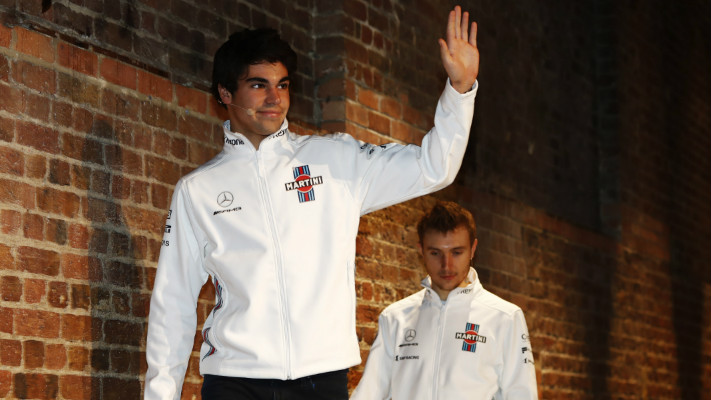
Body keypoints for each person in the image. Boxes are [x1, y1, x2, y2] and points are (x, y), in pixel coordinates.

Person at [144, 5, 479, 400]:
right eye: (258, 85)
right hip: (234, 381)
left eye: (283, 85)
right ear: (224, 93)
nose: (274, 98)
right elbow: (173, 304)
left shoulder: (335, 160)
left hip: (322, 380)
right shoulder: (196, 191)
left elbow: (433, 167)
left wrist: (459, 90)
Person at [351, 201, 538, 399]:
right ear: (421, 250)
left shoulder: (505, 317)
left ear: (473, 249)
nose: (446, 265)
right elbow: (369, 393)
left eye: (457, 252)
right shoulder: (395, 318)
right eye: (435, 253)